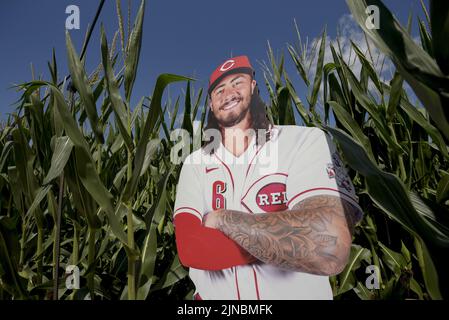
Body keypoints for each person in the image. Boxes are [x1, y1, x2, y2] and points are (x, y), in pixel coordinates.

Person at [173, 55, 363, 300]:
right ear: (211, 103)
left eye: (237, 82)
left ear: (253, 86)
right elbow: (191, 248)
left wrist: (221, 219)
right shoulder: (195, 162)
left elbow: (326, 245)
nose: (228, 92)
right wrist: (289, 240)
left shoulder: (304, 141)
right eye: (219, 90)